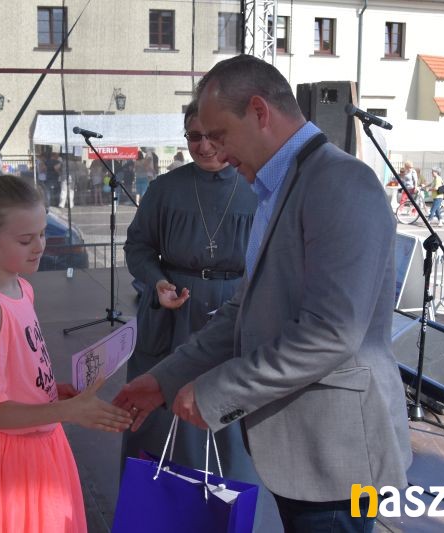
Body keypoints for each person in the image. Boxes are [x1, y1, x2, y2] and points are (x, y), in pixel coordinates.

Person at [115, 55, 412, 531]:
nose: (213, 149)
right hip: (303, 452)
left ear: (259, 111)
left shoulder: (341, 184)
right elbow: (245, 311)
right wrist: (165, 379)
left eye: (219, 134)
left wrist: (215, 392)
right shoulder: (279, 187)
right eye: (201, 137)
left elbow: (331, 334)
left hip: (335, 458)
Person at [0, 170, 132, 532]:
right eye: (25, 239)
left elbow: (17, 374)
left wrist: (51, 392)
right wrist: (67, 411)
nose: (40, 246)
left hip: (40, 440)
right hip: (8, 456)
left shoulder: (21, 288)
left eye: (43, 234)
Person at [122, 103, 276, 528]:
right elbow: (137, 248)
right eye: (194, 137)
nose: (204, 146)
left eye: (214, 136)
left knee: (229, 421)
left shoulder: (258, 188)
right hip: (171, 313)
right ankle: (157, 515)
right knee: (159, 419)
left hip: (236, 310)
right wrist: (157, 283)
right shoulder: (164, 189)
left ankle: (225, 517)